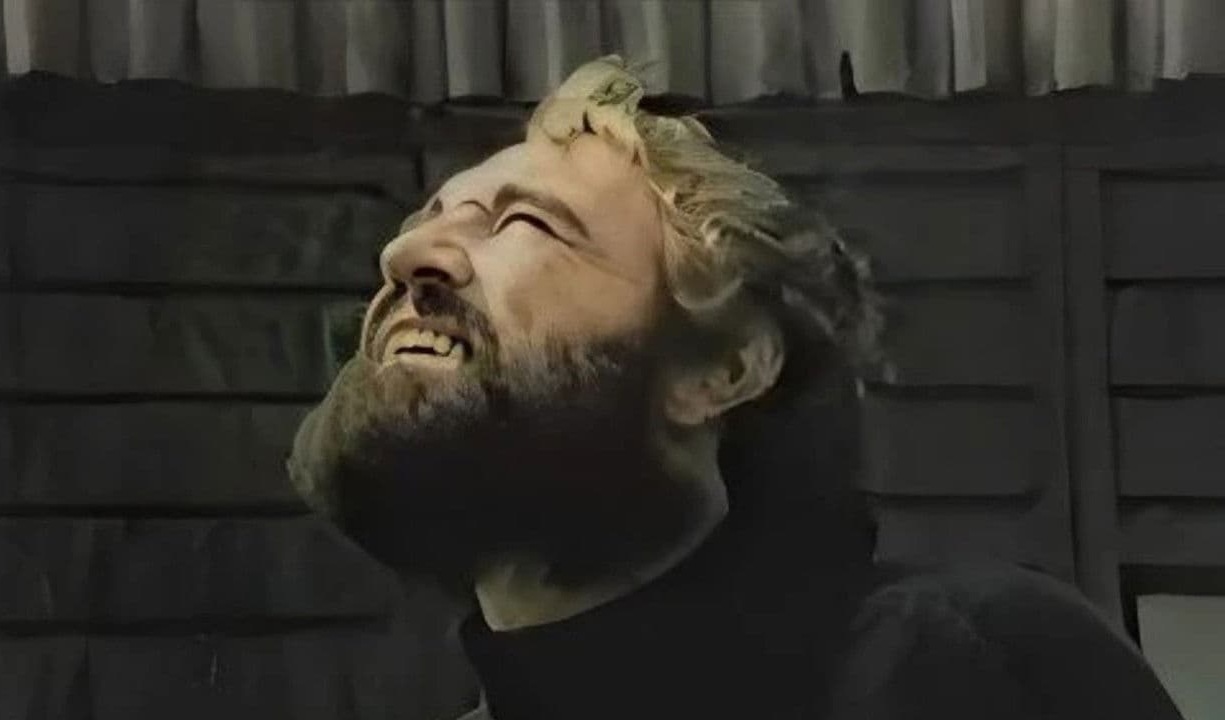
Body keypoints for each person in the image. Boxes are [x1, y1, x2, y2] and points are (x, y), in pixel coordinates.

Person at [286, 57, 1182, 720]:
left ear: (722, 371)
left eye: (525, 222)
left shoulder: (966, 664)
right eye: (429, 218)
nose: (406, 253)